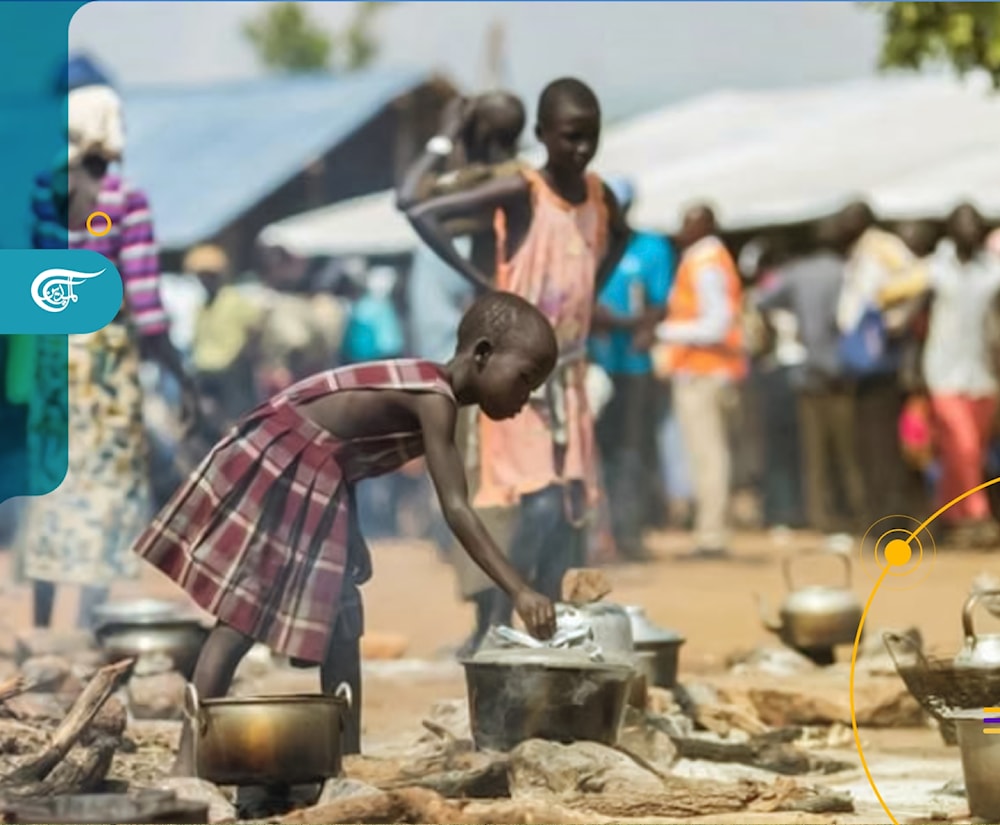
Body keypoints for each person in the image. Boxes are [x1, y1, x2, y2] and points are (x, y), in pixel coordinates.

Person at [133, 291, 560, 774]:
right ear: (482, 353)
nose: (526, 399)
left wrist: (349, 536)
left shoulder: (433, 394)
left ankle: (346, 760)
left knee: (342, 614)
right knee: (244, 616)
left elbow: (345, 453)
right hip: (287, 457)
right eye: (525, 380)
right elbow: (456, 508)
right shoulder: (434, 398)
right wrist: (520, 590)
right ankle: (187, 762)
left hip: (315, 467)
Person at [407, 77, 628, 627]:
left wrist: (591, 287)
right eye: (571, 136)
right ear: (542, 135)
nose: (581, 149)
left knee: (569, 506)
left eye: (591, 137)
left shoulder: (601, 196)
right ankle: (507, 617)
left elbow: (619, 237)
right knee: (530, 501)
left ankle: (545, 622)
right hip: (515, 376)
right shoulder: (521, 190)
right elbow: (418, 209)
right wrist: (478, 276)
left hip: (568, 374)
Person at [18, 78, 196, 631]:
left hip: (51, 357)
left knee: (52, 484)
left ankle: (45, 631)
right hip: (102, 358)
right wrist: (179, 374)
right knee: (104, 486)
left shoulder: (41, 194)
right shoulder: (122, 199)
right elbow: (143, 299)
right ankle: (92, 622)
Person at [398, 91, 529, 654]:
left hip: (482, 369)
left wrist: (439, 137)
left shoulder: (496, 185)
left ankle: (491, 624)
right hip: (484, 364)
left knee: (484, 492)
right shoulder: (512, 180)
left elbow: (408, 198)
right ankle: (492, 619)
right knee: (489, 491)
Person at [754, 217, 866, 540]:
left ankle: (822, 519)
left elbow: (762, 300)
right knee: (848, 454)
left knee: (814, 455)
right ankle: (856, 516)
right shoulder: (849, 272)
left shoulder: (797, 274)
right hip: (844, 373)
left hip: (808, 372)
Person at [653, 205, 747, 560]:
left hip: (705, 371)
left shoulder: (706, 263)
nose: (682, 229)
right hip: (704, 369)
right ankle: (710, 529)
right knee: (707, 454)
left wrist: (663, 332)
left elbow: (717, 323)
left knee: (708, 454)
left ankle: (712, 534)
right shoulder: (705, 260)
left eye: (690, 223)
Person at [588, 176, 674, 560]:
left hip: (633, 368)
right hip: (592, 365)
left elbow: (659, 303)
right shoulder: (584, 246)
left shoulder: (652, 248)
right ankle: (594, 534)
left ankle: (629, 531)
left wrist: (628, 325)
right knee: (591, 453)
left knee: (630, 451)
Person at [917, 205, 1000, 546]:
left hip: (983, 373)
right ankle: (978, 516)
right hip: (943, 373)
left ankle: (947, 516)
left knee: (965, 452)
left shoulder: (992, 270)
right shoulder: (933, 270)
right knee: (962, 445)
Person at [186, 243, 263, 438]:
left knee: (236, 426)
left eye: (208, 275)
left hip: (232, 372)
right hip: (205, 372)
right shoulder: (202, 305)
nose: (204, 280)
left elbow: (255, 329)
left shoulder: (234, 300)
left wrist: (243, 359)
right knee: (207, 425)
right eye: (201, 276)